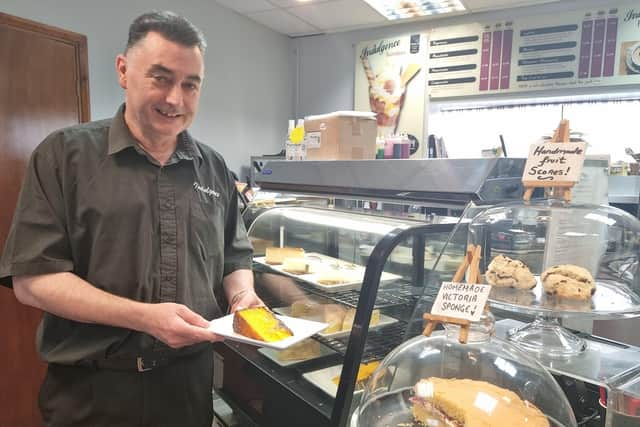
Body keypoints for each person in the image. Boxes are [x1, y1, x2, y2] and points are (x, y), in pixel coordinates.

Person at [0, 10, 263, 427]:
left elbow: (235, 256)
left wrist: (242, 298)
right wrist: (144, 317)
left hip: (188, 390)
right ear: (123, 71)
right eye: (160, 78)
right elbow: (33, 281)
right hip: (92, 394)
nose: (175, 99)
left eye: (189, 85)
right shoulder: (63, 156)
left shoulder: (213, 167)